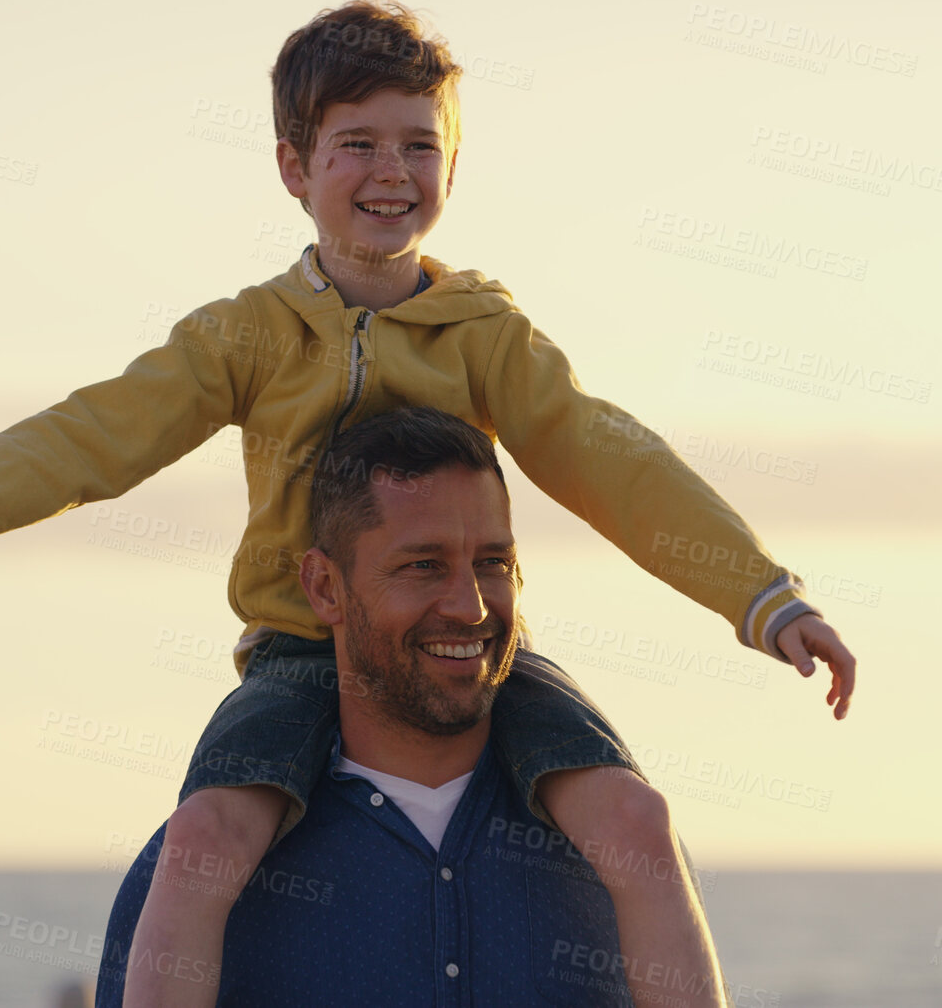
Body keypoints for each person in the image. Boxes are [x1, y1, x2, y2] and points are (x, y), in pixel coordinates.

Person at [0, 0, 857, 1008]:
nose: (390, 173)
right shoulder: (249, 335)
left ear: (453, 167)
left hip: (473, 647)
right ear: (294, 165)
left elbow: (614, 461)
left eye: (418, 145)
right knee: (203, 844)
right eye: (357, 143)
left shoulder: (485, 334)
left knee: (635, 819)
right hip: (294, 651)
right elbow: (105, 428)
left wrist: (763, 598)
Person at [93, 407, 722, 1006]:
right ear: (325, 587)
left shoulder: (620, 854)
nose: (469, 606)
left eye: (492, 563)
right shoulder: (198, 873)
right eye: (424, 565)